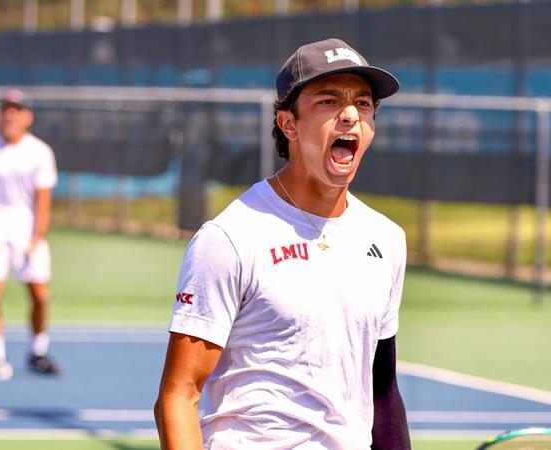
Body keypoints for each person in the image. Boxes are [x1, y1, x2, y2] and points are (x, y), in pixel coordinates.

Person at [154, 38, 411, 449]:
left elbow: (382, 393)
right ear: (288, 123)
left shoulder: (386, 240)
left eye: (363, 104)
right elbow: (178, 394)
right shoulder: (229, 238)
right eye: (328, 101)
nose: (349, 115)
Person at [0, 89, 60, 380]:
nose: (9, 114)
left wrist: (36, 237)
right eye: (5, 108)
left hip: (27, 232)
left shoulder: (40, 152)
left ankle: (38, 351)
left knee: (40, 295)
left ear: (26, 117)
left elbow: (43, 198)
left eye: (16, 109)